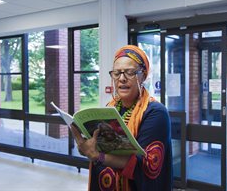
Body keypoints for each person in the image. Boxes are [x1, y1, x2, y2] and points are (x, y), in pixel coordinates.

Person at [70, 45, 172, 191]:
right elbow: (99, 146)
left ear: (143, 75)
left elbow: (146, 163)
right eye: (117, 73)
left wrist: (97, 156)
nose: (122, 79)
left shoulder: (155, 112)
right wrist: (86, 147)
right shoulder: (109, 108)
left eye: (130, 72)